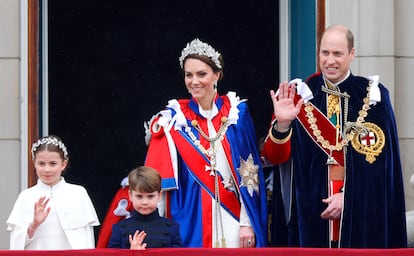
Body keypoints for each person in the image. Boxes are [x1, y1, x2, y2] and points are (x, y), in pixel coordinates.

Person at [97, 38, 268, 248]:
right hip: (189, 216)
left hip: (232, 215)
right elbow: (157, 179)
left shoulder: (236, 113)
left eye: (201, 74)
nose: (194, 81)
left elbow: (250, 173)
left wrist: (246, 222)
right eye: (189, 75)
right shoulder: (174, 118)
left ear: (217, 75)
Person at [262, 25, 407, 248]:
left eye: (337, 54)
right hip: (311, 215)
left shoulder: (374, 96)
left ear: (351, 54)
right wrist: (282, 124)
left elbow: (382, 168)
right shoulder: (299, 95)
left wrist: (348, 197)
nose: (330, 61)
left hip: (361, 215)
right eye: (325, 53)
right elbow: (275, 157)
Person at [6, 135, 100, 250]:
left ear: (63, 164)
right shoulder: (26, 196)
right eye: (41, 163)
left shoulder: (78, 193)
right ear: (34, 163)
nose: (47, 169)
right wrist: (33, 225)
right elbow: (16, 244)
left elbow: (87, 238)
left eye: (53, 163)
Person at [108, 166, 182, 249]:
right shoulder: (119, 229)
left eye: (150, 196)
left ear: (159, 195)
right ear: (130, 196)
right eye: (139, 196)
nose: (145, 202)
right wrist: (131, 253)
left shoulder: (172, 228)